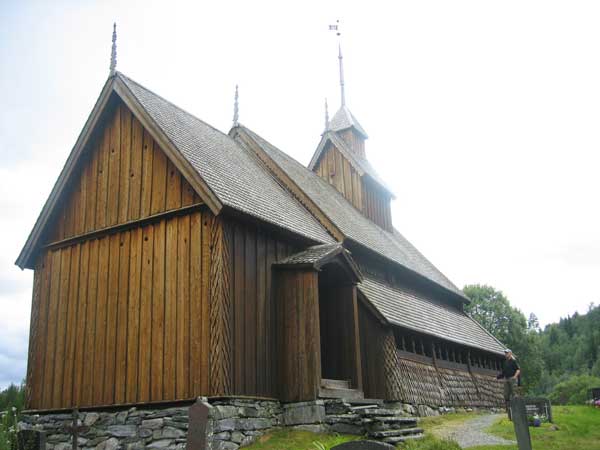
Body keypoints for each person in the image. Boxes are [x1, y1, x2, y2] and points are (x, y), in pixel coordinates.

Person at [497, 348, 520, 419]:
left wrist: (515, 377)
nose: (506, 354)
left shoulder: (513, 361)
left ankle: (517, 408)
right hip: (506, 379)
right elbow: (503, 373)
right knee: (506, 395)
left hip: (512, 379)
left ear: (510, 353)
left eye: (507, 353)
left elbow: (518, 370)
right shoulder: (505, 362)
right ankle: (508, 409)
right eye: (505, 353)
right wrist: (497, 377)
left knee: (514, 394)